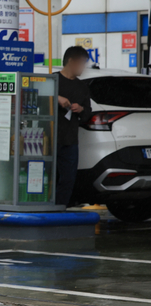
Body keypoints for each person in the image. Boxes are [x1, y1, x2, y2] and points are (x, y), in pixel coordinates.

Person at [56, 46, 92, 206]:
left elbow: (87, 113)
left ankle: (60, 208)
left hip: (70, 140)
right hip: (50, 137)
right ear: (71, 61)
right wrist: (56, 98)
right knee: (48, 176)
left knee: (68, 178)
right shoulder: (52, 80)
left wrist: (82, 109)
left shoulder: (82, 87)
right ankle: (45, 208)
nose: (83, 67)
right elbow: (36, 98)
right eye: (82, 63)